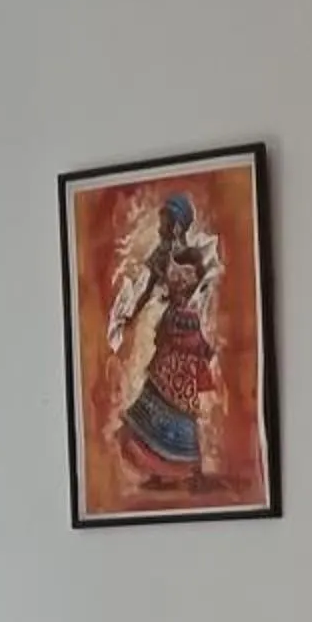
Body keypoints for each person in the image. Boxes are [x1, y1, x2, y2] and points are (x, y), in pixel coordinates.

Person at [105, 192, 226, 486]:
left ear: (176, 224)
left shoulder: (191, 256)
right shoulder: (162, 254)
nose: (160, 225)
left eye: (165, 220)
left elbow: (200, 294)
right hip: (172, 332)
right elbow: (146, 289)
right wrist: (129, 315)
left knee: (183, 402)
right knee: (158, 394)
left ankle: (190, 470)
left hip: (184, 331)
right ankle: (160, 469)